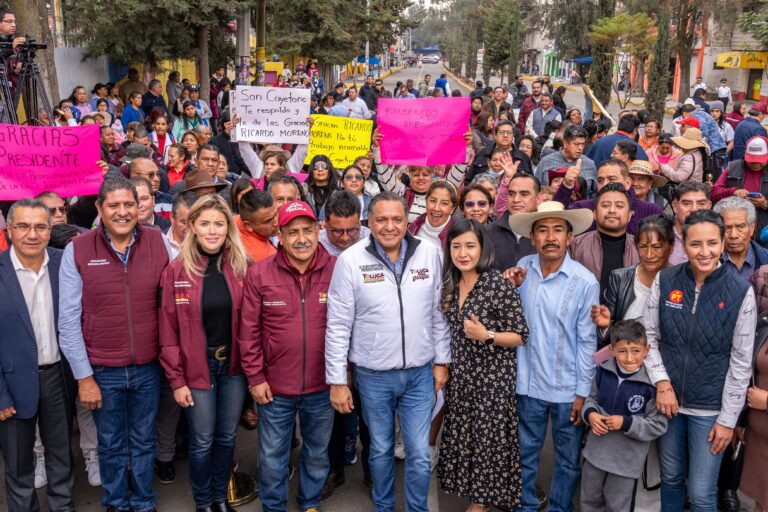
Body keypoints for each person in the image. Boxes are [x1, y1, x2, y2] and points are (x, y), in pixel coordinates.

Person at [325, 192, 451, 512]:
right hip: (373, 375)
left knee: (420, 453)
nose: (389, 226)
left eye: (397, 219)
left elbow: (438, 313)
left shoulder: (429, 254)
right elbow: (338, 324)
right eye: (381, 219)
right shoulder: (350, 260)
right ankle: (383, 507)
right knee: (380, 449)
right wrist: (338, 381)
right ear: (370, 222)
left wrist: (441, 361)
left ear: (407, 221)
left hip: (420, 374)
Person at [58, 176, 171, 512]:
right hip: (101, 369)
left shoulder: (156, 241)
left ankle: (143, 500)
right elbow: (68, 320)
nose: (122, 212)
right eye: (114, 205)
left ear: (139, 207)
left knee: (143, 439)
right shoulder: (77, 249)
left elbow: (169, 302)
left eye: (129, 204)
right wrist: (84, 377)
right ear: (99, 209)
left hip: (148, 367)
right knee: (110, 443)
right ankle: (117, 502)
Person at [641, 209, 756, 512]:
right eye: (695, 244)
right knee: (671, 479)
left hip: (711, 411)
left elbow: (741, 361)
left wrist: (728, 420)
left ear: (721, 243)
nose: (704, 252)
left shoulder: (741, 291)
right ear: (684, 243)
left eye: (711, 243)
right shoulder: (666, 280)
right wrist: (662, 382)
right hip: (670, 405)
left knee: (704, 494)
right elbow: (648, 337)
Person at [239, 200, 336, 512]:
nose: (302, 238)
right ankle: (274, 507)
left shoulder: (337, 270)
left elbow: (350, 326)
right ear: (279, 235)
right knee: (271, 456)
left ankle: (309, 502)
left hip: (323, 385)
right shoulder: (260, 273)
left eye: (308, 230)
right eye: (292, 232)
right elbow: (249, 331)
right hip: (275, 387)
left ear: (319, 230)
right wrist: (255, 378)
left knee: (318, 452)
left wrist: (343, 375)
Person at [159, 194, 249, 512]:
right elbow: (167, 333)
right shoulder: (175, 271)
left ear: (229, 228)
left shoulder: (241, 267)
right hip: (197, 368)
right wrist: (177, 380)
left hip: (234, 368)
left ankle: (219, 496)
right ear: (193, 227)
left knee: (226, 437)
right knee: (201, 440)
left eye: (219, 224)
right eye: (205, 224)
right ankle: (203, 501)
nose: (212, 231)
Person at [508, 200, 599, 512]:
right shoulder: (521, 271)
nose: (550, 237)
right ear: (533, 238)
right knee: (524, 455)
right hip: (527, 384)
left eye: (558, 230)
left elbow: (588, 341)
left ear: (569, 238)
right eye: (543, 230)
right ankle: (526, 507)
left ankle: (559, 508)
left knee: (568, 461)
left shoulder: (585, 282)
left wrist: (582, 393)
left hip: (566, 389)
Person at [436, 219, 528, 511]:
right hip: (462, 379)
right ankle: (476, 495)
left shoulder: (496, 283)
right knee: (468, 440)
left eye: (470, 246)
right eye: (457, 246)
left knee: (487, 444)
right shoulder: (450, 283)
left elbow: (521, 335)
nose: (463, 253)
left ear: (482, 249)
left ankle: (481, 503)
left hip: (492, 381)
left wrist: (486, 335)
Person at [0, 199, 75, 512]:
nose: (32, 234)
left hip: (58, 377)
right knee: (18, 465)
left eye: (40, 226)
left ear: (49, 229)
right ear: (9, 229)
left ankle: (63, 506)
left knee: (61, 454)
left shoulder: (64, 264)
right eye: (23, 226)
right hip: (12, 385)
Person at [580, 320, 668, 512]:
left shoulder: (651, 385)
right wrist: (591, 415)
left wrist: (626, 423)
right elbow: (591, 399)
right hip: (595, 455)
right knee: (589, 502)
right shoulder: (604, 370)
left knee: (618, 506)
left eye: (636, 350)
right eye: (622, 351)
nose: (629, 358)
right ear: (611, 350)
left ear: (647, 349)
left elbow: (658, 424)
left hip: (626, 463)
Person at [554, 159, 664, 235]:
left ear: (627, 182)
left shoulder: (651, 211)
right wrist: (567, 185)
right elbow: (555, 218)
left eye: (612, 179)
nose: (605, 184)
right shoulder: (585, 208)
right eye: (601, 180)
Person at [570, 183, 639, 293]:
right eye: (605, 205)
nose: (612, 210)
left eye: (619, 206)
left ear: (630, 215)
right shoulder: (575, 245)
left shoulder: (641, 247)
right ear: (595, 214)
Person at [738, 313, 768, 512]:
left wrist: (766, 401)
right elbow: (749, 374)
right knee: (761, 501)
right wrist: (740, 421)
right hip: (759, 440)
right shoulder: (765, 322)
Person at [712, 135, 768, 237]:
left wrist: (765, 204)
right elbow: (714, 192)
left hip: (763, 232)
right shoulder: (733, 168)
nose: (755, 163)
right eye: (752, 160)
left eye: (760, 160)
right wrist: (732, 192)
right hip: (733, 229)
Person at [488, 174, 539, 270]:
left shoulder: (547, 235)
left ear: (538, 198)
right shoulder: (487, 233)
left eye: (524, 194)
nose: (516, 200)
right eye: (511, 194)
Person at [713, 197, 768, 280]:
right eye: (727, 228)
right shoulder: (706, 262)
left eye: (740, 227)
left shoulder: (765, 258)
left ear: (752, 228)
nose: (733, 235)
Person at [536, 125, 598, 193]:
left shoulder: (590, 165)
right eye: (576, 144)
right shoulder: (546, 161)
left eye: (583, 144)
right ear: (565, 143)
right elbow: (536, 189)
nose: (580, 148)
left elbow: (594, 192)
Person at [407, 181, 457, 257]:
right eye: (433, 201)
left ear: (452, 209)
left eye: (444, 203)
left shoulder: (458, 234)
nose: (436, 208)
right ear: (426, 202)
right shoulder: (414, 227)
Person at [668, 180, 712, 265]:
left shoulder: (717, 239)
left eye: (701, 203)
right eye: (687, 203)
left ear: (709, 206)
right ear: (675, 206)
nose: (694, 209)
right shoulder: (662, 238)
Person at [319, 190, 371, 257]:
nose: (345, 238)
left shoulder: (370, 241)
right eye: (338, 231)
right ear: (325, 223)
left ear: (359, 223)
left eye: (351, 230)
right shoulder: (316, 244)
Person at [235, 189, 278, 262]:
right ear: (248, 226)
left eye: (276, 214)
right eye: (268, 221)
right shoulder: (268, 258)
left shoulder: (232, 221)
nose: (276, 223)